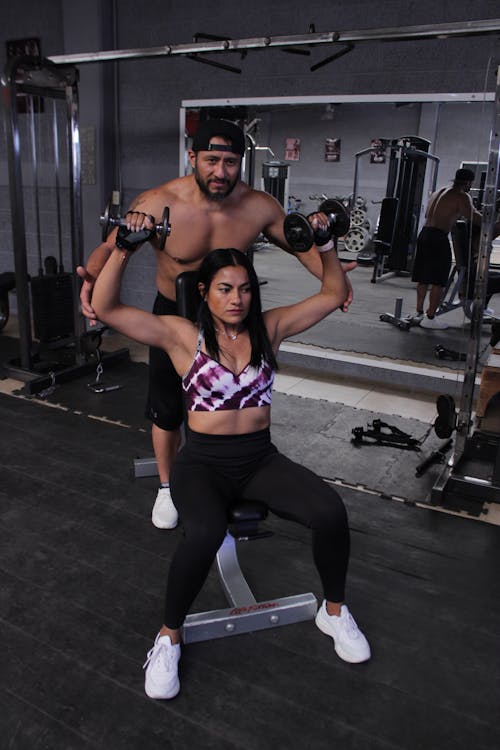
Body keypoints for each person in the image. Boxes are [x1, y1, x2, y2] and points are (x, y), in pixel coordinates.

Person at [91, 234, 370, 700]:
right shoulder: (183, 335)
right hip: (201, 464)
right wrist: (123, 248)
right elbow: (107, 308)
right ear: (204, 292)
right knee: (202, 533)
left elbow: (333, 294)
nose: (237, 299)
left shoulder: (269, 328)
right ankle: (168, 637)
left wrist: (324, 245)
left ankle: (334, 612)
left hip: (259, 458)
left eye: (244, 288)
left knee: (330, 512)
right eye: (224, 288)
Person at [78, 119, 353, 531]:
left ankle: (229, 474)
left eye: (230, 161)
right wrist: (92, 279)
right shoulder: (158, 201)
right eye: (211, 160)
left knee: (233, 403)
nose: (221, 172)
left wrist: (334, 279)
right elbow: (109, 245)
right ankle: (169, 487)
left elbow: (301, 246)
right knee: (168, 409)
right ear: (192, 157)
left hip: (227, 315)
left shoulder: (258, 205)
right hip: (174, 314)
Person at [412, 168, 483, 329]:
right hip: (438, 237)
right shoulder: (461, 195)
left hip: (424, 234)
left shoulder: (439, 191)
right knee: (438, 280)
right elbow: (473, 216)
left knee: (423, 277)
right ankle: (430, 318)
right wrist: (490, 218)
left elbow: (428, 216)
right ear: (468, 182)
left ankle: (419, 312)